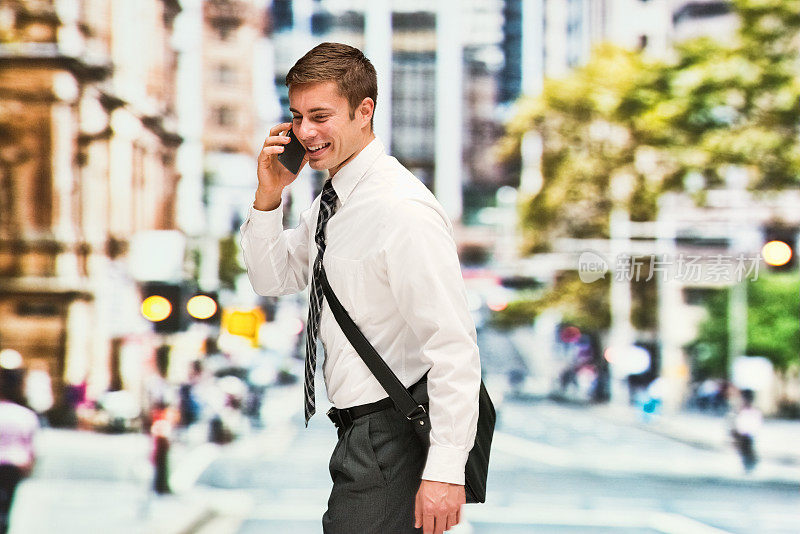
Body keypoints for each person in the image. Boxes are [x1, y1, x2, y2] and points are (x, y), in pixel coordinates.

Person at [240, 42, 481, 534]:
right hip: (357, 433)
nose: (305, 133)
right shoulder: (335, 203)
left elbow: (453, 345)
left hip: (391, 435)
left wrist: (445, 470)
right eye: (298, 116)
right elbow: (273, 278)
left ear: (364, 111)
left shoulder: (400, 210)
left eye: (321, 116)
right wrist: (268, 196)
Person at [0, 363, 39, 534]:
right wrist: (30, 468)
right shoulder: (26, 415)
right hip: (15, 465)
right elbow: (31, 447)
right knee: (7, 503)